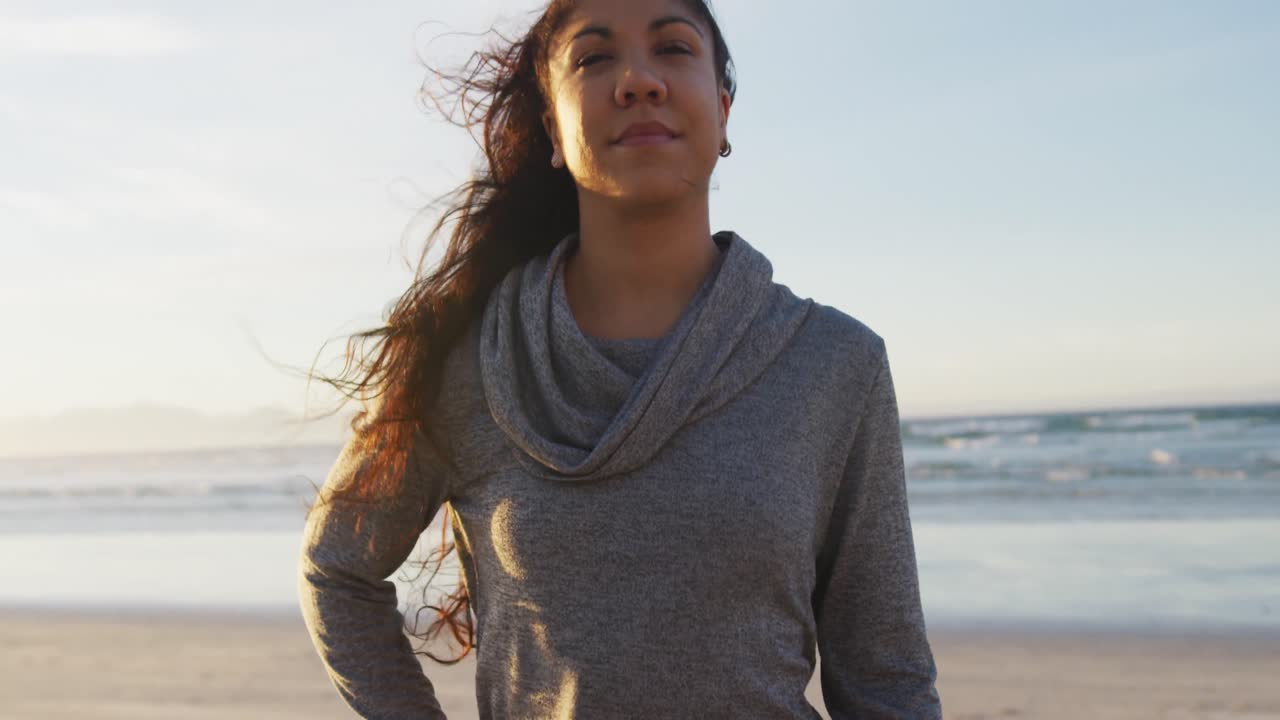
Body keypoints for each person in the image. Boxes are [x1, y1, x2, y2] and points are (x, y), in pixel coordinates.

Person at [297, 0, 943, 717]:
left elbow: (886, 677)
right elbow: (338, 568)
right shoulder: (469, 357)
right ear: (554, 130)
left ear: (723, 110)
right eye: (594, 58)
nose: (638, 80)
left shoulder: (835, 363)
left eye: (673, 48)